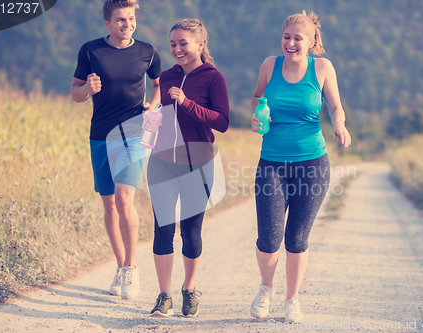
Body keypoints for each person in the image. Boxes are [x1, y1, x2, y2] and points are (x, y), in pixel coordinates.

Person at [250, 11, 351, 322]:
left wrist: (340, 124)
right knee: (269, 237)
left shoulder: (322, 68)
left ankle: (291, 299)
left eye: (297, 38)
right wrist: (258, 113)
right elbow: (257, 96)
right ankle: (266, 288)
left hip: (312, 163)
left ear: (311, 41)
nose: (290, 43)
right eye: (286, 37)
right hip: (271, 163)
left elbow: (334, 104)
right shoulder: (270, 65)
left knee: (297, 238)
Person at [70, 0, 162, 300]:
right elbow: (75, 94)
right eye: (121, 19)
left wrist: (154, 105)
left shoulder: (147, 51)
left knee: (124, 198)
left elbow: (159, 83)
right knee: (109, 203)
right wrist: (87, 89)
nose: (127, 24)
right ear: (107, 23)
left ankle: (133, 268)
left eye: (131, 18)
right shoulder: (90, 51)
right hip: (101, 135)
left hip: (136, 132)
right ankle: (121, 266)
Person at [146, 18, 229, 318]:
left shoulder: (213, 78)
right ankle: (163, 296)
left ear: (200, 44)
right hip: (162, 162)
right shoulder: (167, 77)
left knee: (191, 234)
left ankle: (189, 290)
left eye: (183, 43)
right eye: (173, 44)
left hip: (198, 164)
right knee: (162, 230)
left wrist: (188, 103)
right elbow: (167, 116)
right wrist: (153, 117)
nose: (178, 49)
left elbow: (222, 122)